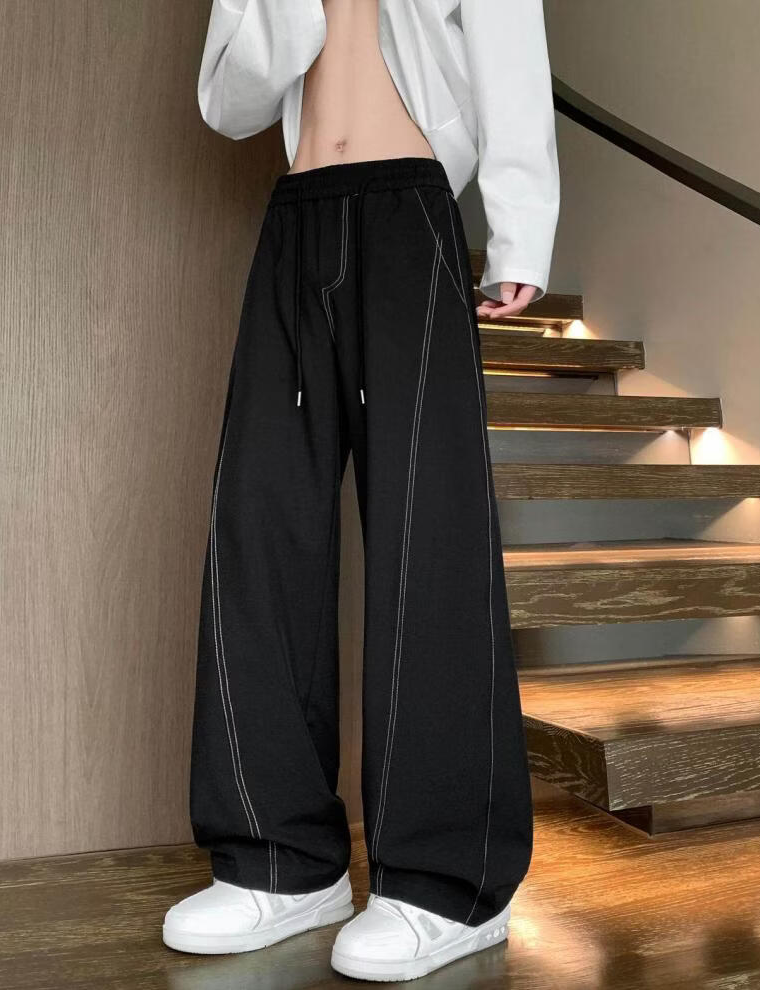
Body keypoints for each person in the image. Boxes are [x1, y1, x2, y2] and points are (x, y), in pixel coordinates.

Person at [163, 0, 559, 981]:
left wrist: (520, 235)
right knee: (260, 528)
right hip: (295, 219)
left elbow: (511, 51)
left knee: (430, 540)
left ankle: (446, 882)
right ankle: (278, 861)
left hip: (408, 213)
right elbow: (229, 105)